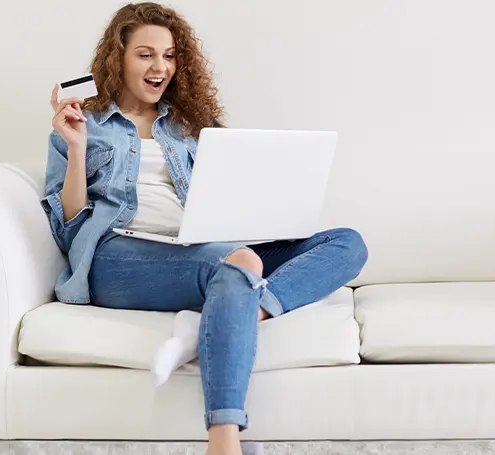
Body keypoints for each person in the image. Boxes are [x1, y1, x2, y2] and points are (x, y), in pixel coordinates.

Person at [41, 2, 368, 454]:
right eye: (146, 54)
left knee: (347, 243)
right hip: (116, 256)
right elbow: (70, 226)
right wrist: (76, 148)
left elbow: (227, 196)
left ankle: (221, 317)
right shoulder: (84, 122)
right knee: (238, 263)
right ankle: (224, 439)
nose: (161, 67)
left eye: (170, 55)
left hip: (201, 246)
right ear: (118, 59)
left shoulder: (188, 125)